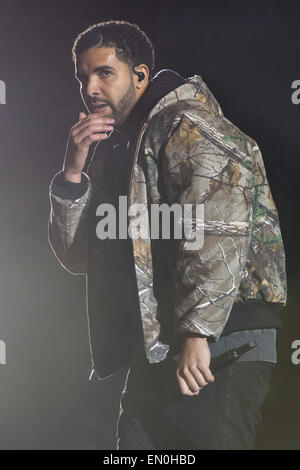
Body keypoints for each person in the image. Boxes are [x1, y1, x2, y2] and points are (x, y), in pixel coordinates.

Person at [48, 20, 287, 450]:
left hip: (222, 338)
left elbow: (218, 229)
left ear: (139, 75)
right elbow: (83, 257)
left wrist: (198, 335)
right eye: (83, 77)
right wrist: (72, 174)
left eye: (104, 72)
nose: (90, 88)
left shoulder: (190, 126)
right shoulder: (118, 149)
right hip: (161, 341)